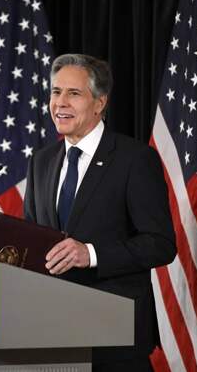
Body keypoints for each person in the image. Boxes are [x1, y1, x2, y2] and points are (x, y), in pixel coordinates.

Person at [23, 54, 177, 371]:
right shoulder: (42, 161)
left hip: (114, 335)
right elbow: (32, 236)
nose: (60, 102)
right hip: (51, 331)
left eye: (73, 93)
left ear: (99, 102)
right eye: (56, 92)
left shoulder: (134, 159)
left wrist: (91, 254)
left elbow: (160, 243)